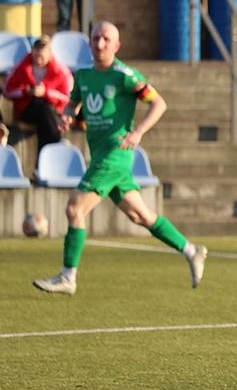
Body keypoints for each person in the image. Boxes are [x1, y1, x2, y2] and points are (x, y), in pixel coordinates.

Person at [32, 21, 208, 296]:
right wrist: (67, 116)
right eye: (95, 38)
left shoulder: (125, 75)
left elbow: (159, 103)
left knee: (75, 209)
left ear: (117, 45)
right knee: (141, 215)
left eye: (105, 39)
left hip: (116, 154)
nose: (99, 44)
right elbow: (73, 102)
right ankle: (191, 250)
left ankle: (68, 277)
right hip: (100, 154)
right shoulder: (84, 75)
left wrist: (138, 132)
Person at [3, 36, 75, 165]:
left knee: (45, 114)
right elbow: (7, 90)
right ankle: (57, 142)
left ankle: (40, 164)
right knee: (43, 109)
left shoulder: (60, 71)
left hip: (51, 111)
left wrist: (46, 92)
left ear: (49, 54)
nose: (38, 60)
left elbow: (68, 96)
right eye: (35, 56)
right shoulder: (22, 66)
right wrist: (27, 91)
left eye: (41, 57)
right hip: (27, 109)